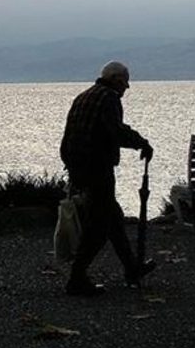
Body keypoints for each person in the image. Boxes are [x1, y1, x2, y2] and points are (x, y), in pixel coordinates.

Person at [60, 61, 156, 296]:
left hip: (78, 167)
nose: (127, 87)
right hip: (97, 168)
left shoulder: (84, 96)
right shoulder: (109, 98)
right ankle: (76, 277)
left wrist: (73, 169)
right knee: (100, 227)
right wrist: (142, 143)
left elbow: (69, 135)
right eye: (125, 81)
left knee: (113, 219)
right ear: (115, 79)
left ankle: (132, 268)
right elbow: (116, 131)